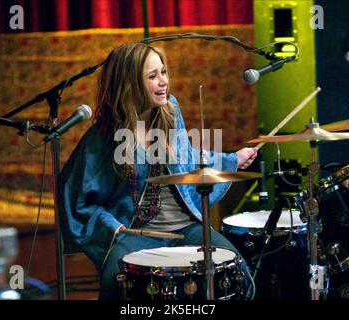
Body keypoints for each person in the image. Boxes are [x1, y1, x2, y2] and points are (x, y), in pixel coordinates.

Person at [60, 43, 258, 300]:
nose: (163, 81)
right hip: (136, 232)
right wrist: (114, 228)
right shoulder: (105, 135)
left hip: (187, 228)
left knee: (240, 274)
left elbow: (188, 161)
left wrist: (232, 159)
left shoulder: (171, 112)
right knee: (115, 283)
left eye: (163, 72)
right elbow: (76, 197)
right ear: (129, 84)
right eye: (152, 76)